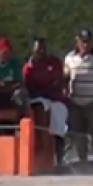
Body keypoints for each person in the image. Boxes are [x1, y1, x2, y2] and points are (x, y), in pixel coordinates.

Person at [64, 29, 93, 166]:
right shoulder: (70, 58)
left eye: (88, 42)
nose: (85, 45)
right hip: (75, 102)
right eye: (82, 41)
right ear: (77, 42)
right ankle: (83, 162)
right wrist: (66, 93)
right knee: (79, 134)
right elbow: (65, 78)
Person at [23, 38, 69, 167]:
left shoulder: (54, 62)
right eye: (38, 49)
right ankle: (42, 147)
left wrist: (53, 89)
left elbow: (58, 81)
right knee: (40, 107)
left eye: (43, 49)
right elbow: (29, 87)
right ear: (33, 50)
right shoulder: (29, 66)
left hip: (54, 97)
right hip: (38, 97)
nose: (41, 52)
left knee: (60, 112)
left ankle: (59, 156)